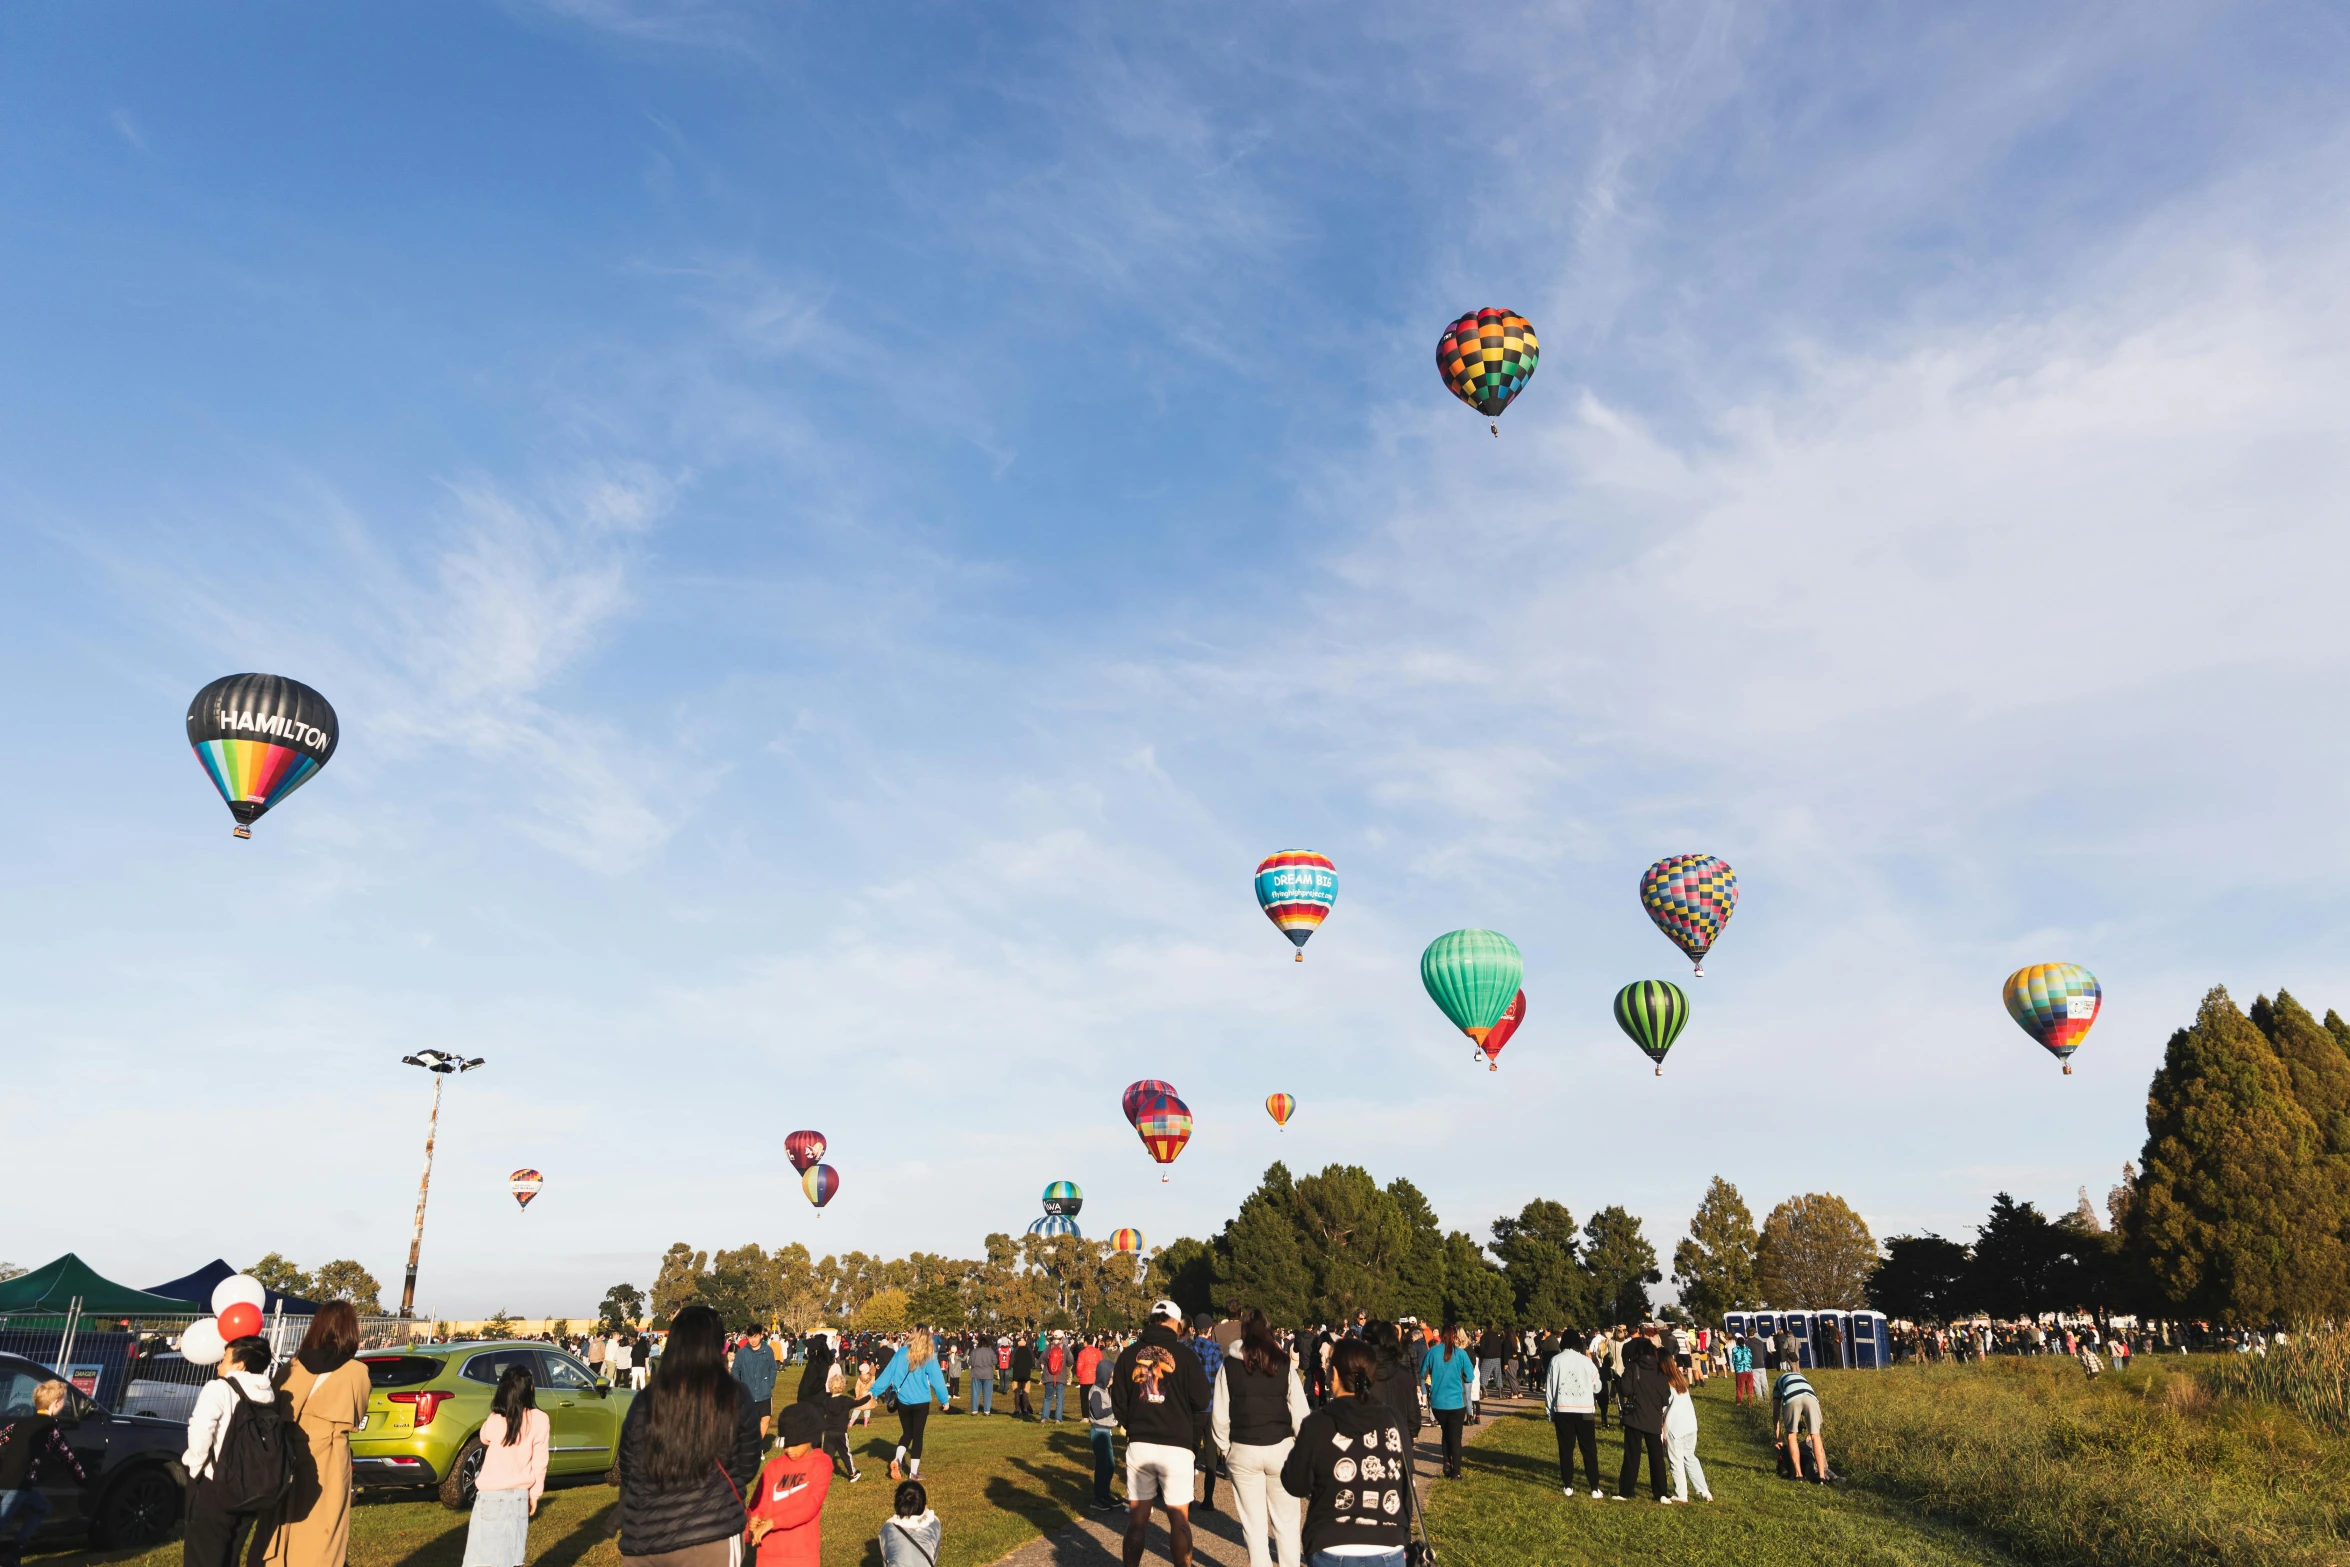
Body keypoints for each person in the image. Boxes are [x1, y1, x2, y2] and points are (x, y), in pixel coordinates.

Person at [613, 1304, 764, 1567]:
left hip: (644, 1538)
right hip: (710, 1534)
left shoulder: (645, 1400)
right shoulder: (734, 1395)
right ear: (717, 1346)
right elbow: (747, 1466)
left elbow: (628, 1465)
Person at [1278, 1340, 1411, 1567]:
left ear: (1335, 1373)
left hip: (1332, 1543)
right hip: (1388, 1543)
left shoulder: (1318, 1423)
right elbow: (1405, 1478)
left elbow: (1295, 1483)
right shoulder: (1393, 1419)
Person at [262, 1300, 370, 1567]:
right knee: (324, 1527)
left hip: (286, 1453)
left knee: (281, 1521)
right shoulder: (356, 1372)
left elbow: (274, 1405)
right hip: (330, 1457)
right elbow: (356, 1414)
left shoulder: (292, 1367)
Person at [1112, 1300, 1211, 1567]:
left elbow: (1118, 1400)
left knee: (1137, 1521)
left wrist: (1132, 1424)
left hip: (1140, 1442)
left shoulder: (1128, 1354)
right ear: (1177, 1324)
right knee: (1179, 1521)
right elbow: (1202, 1400)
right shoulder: (1186, 1356)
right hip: (1176, 1445)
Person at [1211, 1310, 1307, 1567]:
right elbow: (1299, 1411)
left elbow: (1220, 1413)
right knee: (1286, 1522)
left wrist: (1225, 1448)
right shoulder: (1283, 1363)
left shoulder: (1229, 1365)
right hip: (1281, 1447)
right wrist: (1302, 1446)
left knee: (1253, 1526)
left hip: (1243, 1448)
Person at [182, 1334, 284, 1567]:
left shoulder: (219, 1388)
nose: (219, 1365)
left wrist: (196, 1468)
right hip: (252, 1486)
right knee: (231, 1554)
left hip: (215, 1483)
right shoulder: (267, 1393)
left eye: (225, 1358)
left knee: (203, 1555)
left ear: (239, 1364)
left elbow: (200, 1430)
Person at [460, 1365, 549, 1567]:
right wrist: (534, 1495)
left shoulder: (495, 1419)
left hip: (490, 1496)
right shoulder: (541, 1420)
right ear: (530, 1389)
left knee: (480, 1556)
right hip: (519, 1496)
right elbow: (540, 1463)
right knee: (512, 1556)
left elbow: (484, 1437)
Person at [0, 1379, 84, 1567]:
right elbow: (67, 1456)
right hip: (17, 1484)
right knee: (2, 1521)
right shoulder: (50, 1428)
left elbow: (1, 1438)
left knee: (42, 1506)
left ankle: (15, 1549)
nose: (65, 1406)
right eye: (64, 1402)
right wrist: (82, 1478)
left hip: (13, 1481)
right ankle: (11, 1555)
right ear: (56, 1403)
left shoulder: (19, 1424)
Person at [747, 1404, 829, 1567]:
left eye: (795, 1444)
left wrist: (771, 1523)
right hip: (768, 1554)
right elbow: (759, 1502)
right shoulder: (773, 1466)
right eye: (786, 1443)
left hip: (802, 1555)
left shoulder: (821, 1463)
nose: (789, 1449)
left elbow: (810, 1506)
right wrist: (753, 1517)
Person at [868, 1329, 950, 1482]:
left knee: (907, 1433)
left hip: (903, 1400)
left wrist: (874, 1391)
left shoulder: (901, 1353)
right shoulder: (929, 1355)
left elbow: (888, 1373)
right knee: (917, 1436)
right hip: (921, 1401)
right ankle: (913, 1472)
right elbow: (937, 1379)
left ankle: (898, 1459)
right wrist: (944, 1400)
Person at [1542, 1326, 1603, 1499]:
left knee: (1566, 1449)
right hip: (1584, 1410)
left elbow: (1550, 1389)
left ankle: (1568, 1485)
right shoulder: (1586, 1361)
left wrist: (1550, 1411)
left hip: (1563, 1410)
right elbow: (1597, 1386)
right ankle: (1594, 1487)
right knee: (1589, 1449)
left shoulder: (1556, 1360)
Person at [1612, 1337, 1671, 1503]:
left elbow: (1625, 1390)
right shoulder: (1660, 1370)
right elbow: (1665, 1397)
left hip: (1634, 1417)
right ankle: (1661, 1493)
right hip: (1653, 1418)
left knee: (1632, 1455)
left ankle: (1626, 1490)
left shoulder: (1633, 1367)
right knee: (1656, 1457)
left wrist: (1619, 1381)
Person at [1419, 1325, 1474, 1481]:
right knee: (1456, 1437)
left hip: (1438, 1402)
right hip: (1456, 1402)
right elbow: (1470, 1377)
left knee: (1445, 1432)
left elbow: (1423, 1373)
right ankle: (1455, 1471)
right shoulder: (1461, 1354)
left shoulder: (1432, 1352)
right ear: (1455, 1337)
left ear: (1441, 1336)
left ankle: (1447, 1462)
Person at [1661, 1360, 1711, 1503]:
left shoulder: (1666, 1385)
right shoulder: (1681, 1382)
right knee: (1690, 1457)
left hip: (1675, 1426)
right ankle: (1704, 1490)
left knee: (1675, 1461)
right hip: (1690, 1425)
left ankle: (1681, 1494)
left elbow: (1663, 1407)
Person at [1190, 1314, 1226, 1512]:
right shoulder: (1216, 1351)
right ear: (1210, 1330)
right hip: (1212, 1407)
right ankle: (1208, 1498)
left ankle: (1187, 1494)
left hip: (1194, 1408)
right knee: (1210, 1453)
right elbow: (1221, 1378)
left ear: (1195, 1329)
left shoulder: (1188, 1350)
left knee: (1190, 1453)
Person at [1772, 1364, 1831, 1483]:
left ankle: (1798, 1475)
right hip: (1811, 1397)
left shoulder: (1778, 1382)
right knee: (1816, 1436)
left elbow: (1776, 1412)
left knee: (1792, 1435)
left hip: (1791, 1398)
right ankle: (1821, 1477)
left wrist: (1778, 1437)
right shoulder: (1802, 1377)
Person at [1085, 1353, 1121, 1513]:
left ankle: (1105, 1494)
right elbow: (1098, 1412)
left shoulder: (1105, 1390)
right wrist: (1114, 1409)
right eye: (1110, 1377)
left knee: (1110, 1465)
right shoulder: (1096, 1392)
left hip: (1106, 1431)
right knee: (1103, 1465)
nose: (1111, 1381)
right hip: (1099, 1432)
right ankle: (1098, 1498)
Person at [877, 1478, 941, 1567]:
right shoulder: (934, 1523)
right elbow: (933, 1557)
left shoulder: (887, 1529)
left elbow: (885, 1559)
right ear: (924, 1505)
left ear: (897, 1505)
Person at [733, 1325, 779, 1443]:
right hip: (747, 1393)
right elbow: (735, 1371)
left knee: (766, 1419)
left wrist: (770, 1384)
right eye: (750, 1337)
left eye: (756, 1336)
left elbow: (773, 1368)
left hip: (764, 1392)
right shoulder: (741, 1353)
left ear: (761, 1335)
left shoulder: (767, 1350)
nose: (753, 1340)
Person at [1043, 1334, 1070, 1424]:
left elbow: (1041, 1359)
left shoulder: (1048, 1348)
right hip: (1061, 1377)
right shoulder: (1065, 1349)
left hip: (1048, 1377)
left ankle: (1044, 1417)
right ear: (1062, 1339)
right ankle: (1058, 1419)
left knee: (1048, 1398)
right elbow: (1071, 1361)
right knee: (1060, 1399)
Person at [1009, 1337, 1036, 1421]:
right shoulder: (1029, 1350)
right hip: (1026, 1374)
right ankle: (1024, 1409)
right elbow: (1033, 1362)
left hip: (1017, 1374)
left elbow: (1011, 1362)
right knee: (1025, 1392)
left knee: (1017, 1393)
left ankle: (1017, 1409)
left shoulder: (1015, 1351)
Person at [969, 1339, 996, 1416]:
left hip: (976, 1373)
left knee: (975, 1393)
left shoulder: (974, 1351)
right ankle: (987, 1410)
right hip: (988, 1374)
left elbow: (970, 1362)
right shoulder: (990, 1351)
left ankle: (974, 1410)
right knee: (987, 1393)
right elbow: (995, 1361)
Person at [1730, 1333, 1755, 1405]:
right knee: (1749, 1387)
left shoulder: (1734, 1350)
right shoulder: (1748, 1349)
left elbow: (1733, 1360)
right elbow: (1750, 1359)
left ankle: (1739, 1402)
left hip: (1740, 1370)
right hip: (1749, 1370)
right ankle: (1750, 1402)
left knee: (1740, 1387)